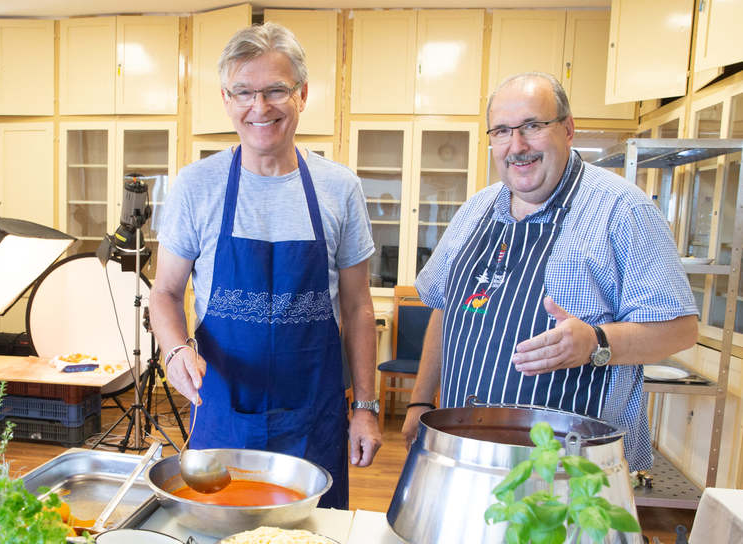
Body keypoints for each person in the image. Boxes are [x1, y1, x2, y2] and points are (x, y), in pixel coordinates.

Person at [401, 72, 698, 472]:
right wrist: (420, 401)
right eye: (502, 131)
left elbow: (680, 329)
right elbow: (444, 309)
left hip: (573, 465)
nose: (517, 146)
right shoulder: (476, 210)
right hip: (467, 452)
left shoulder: (622, 210)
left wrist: (596, 341)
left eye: (533, 127)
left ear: (568, 129)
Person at [149, 22, 382, 509]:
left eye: (276, 90)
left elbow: (360, 307)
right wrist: (173, 352)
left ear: (301, 94)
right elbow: (165, 292)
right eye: (244, 92)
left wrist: (365, 407)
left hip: (315, 417)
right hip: (223, 411)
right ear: (226, 98)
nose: (260, 107)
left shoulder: (339, 188)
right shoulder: (198, 186)